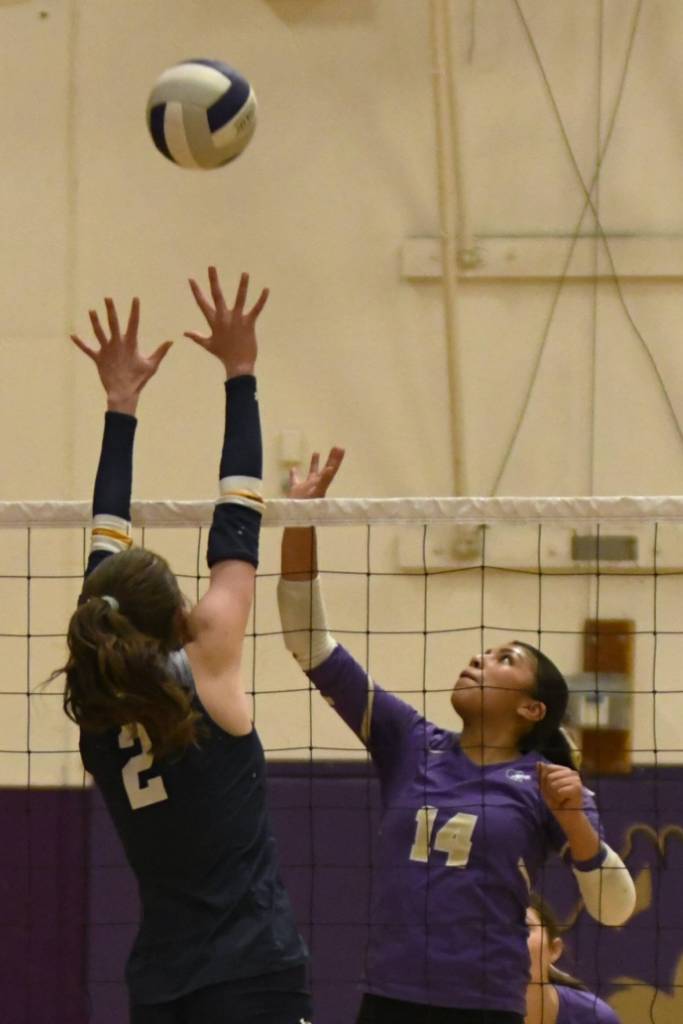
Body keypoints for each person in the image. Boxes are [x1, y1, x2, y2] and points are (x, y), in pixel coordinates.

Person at [277, 450, 635, 1024]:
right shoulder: (408, 741)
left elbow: (615, 911)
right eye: (484, 652)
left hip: (483, 1006)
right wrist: (300, 521)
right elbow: (310, 644)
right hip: (390, 996)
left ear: (531, 707)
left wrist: (574, 824)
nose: (480, 658)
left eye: (504, 659)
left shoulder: (546, 784)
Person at [58, 269, 310, 1024]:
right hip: (251, 973)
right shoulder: (206, 664)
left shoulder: (97, 702)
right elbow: (236, 513)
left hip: (161, 985)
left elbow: (112, 567)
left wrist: (120, 404)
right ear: (178, 614)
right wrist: (240, 373)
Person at [526, 894, 620, 1024]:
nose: (509, 940)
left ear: (554, 949)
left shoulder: (596, 1017)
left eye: (525, 926)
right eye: (498, 931)